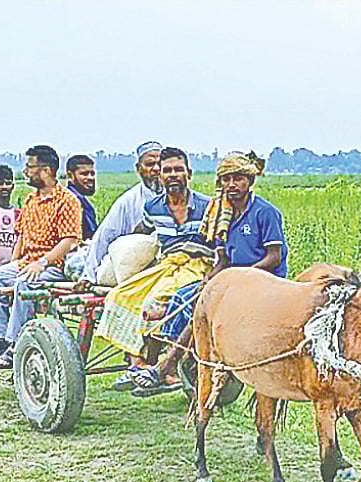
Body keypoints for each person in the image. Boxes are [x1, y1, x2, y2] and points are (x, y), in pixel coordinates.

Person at [132, 151, 288, 395]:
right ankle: (169, 358)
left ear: (250, 181)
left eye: (238, 179)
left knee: (201, 307)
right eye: (226, 179)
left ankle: (167, 366)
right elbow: (223, 259)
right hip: (233, 280)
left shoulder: (263, 212)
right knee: (185, 296)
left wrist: (239, 276)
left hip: (263, 282)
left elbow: (274, 257)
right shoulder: (220, 214)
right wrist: (210, 279)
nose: (232, 185)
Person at [93, 147, 214, 394]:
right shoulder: (153, 207)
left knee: (154, 302)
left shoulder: (207, 206)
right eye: (167, 170)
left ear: (188, 173)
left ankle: (160, 365)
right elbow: (141, 232)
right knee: (121, 295)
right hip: (167, 265)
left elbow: (219, 242)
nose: (172, 175)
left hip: (197, 266)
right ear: (160, 176)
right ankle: (136, 362)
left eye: (178, 169)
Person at [0, 145, 83, 370]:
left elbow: (70, 241)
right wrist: (13, 263)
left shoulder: (67, 200)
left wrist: (42, 262)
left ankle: (15, 343)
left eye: (29, 167)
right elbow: (22, 236)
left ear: (46, 170)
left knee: (25, 283)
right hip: (28, 262)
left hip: (53, 265)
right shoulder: (30, 200)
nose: (25, 171)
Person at [77, 141, 163, 286]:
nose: (156, 169)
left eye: (160, 164)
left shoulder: (177, 197)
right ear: (138, 169)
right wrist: (88, 276)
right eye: (149, 164)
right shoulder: (128, 201)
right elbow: (104, 236)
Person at [64, 154, 98, 240]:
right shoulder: (74, 201)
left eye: (92, 173)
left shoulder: (78, 199)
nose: (90, 178)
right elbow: (91, 236)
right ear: (70, 176)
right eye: (84, 174)